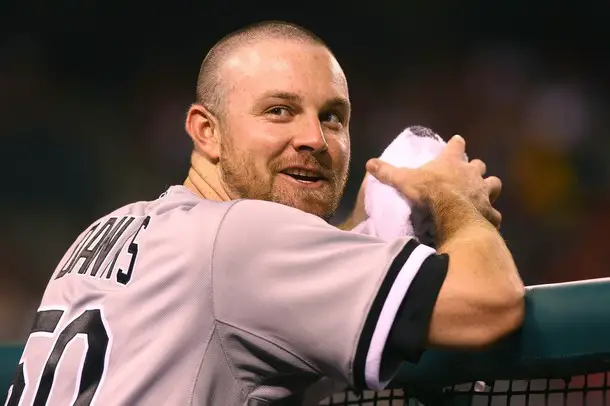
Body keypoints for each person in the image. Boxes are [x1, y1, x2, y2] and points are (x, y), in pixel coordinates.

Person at [5, 21, 524, 405]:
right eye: (279, 111)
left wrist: (360, 232)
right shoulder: (240, 238)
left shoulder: (105, 231)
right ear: (206, 131)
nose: (315, 138)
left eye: (333, 118)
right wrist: (454, 199)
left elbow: (245, 304)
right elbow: (490, 305)